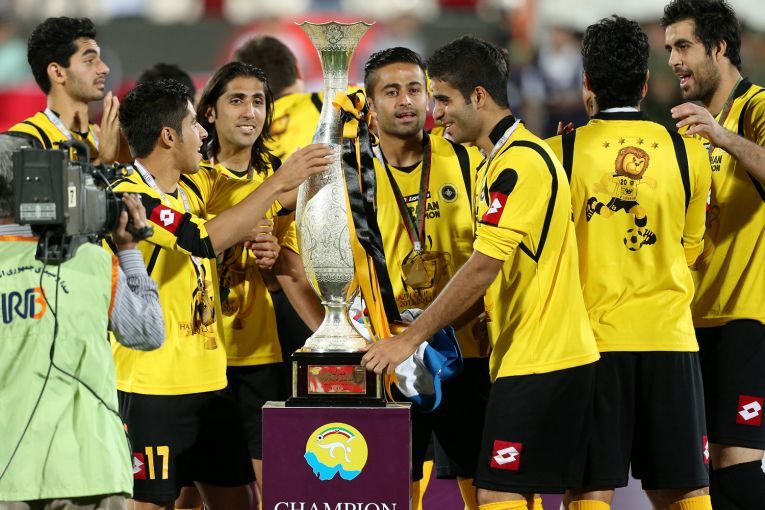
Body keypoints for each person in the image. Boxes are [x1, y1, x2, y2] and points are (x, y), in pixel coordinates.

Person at [362, 36, 599, 510]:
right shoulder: (495, 161)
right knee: (512, 489)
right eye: (393, 92)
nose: (433, 110)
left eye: (438, 98)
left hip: (532, 355)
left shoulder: (507, 163)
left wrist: (412, 338)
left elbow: (483, 266)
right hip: (499, 353)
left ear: (477, 96)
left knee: (500, 490)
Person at [112, 79, 331, 510]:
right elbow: (200, 239)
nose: (203, 133)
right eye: (194, 123)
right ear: (168, 136)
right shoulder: (129, 195)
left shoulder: (195, 187)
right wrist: (277, 182)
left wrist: (331, 159)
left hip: (212, 382)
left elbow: (263, 198)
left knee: (238, 501)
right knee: (152, 504)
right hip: (153, 387)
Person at [545, 16, 712, 510]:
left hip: (591, 345)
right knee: (685, 489)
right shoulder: (690, 154)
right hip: (670, 340)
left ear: (587, 83)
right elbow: (690, 250)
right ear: (645, 83)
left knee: (589, 489)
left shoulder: (555, 155)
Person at [0, 134, 165, 509]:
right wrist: (129, 252)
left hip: (7, 476)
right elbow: (148, 332)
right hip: (90, 469)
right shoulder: (91, 261)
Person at [363, 46, 488, 509]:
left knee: (488, 485)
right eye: (391, 91)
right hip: (391, 355)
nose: (406, 101)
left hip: (470, 348)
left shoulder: (468, 158)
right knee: (396, 486)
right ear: (370, 104)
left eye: (415, 89)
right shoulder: (353, 176)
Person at [194, 61, 324, 499]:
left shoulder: (282, 181)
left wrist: (274, 260)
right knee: (205, 493)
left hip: (260, 357)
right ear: (210, 111)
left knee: (278, 491)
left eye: (258, 102)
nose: (249, 111)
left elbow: (293, 272)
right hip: (198, 357)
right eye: (236, 100)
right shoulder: (192, 176)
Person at [663, 1, 765, 508]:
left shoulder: (756, 107)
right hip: (688, 323)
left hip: (746, 317)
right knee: (695, 478)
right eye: (669, 49)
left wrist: (723, 136)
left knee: (736, 470)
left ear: (719, 47)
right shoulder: (685, 127)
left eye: (683, 46)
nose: (673, 61)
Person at [7, 17, 120, 163]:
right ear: (57, 73)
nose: (105, 68)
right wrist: (103, 161)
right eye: (89, 61)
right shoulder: (24, 142)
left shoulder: (102, 137)